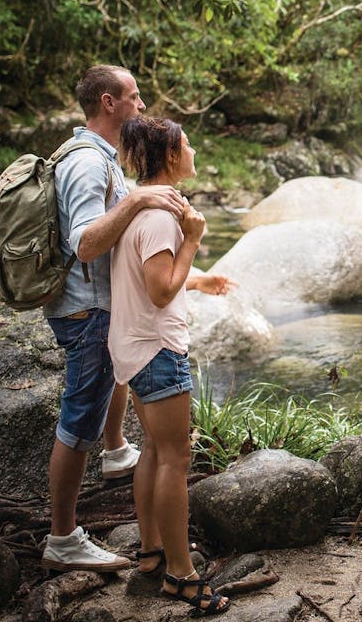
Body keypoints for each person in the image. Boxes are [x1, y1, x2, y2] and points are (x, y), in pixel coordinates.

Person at [40, 65, 186, 573]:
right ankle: (63, 536)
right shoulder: (85, 162)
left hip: (96, 309)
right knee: (78, 419)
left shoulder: (100, 158)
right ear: (109, 102)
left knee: (106, 393)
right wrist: (140, 197)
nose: (142, 106)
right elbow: (84, 244)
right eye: (135, 97)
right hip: (84, 311)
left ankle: (117, 449)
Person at [111, 115, 234, 615]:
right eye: (188, 145)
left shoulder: (139, 209)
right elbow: (161, 290)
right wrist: (193, 240)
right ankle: (181, 577)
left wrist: (198, 280)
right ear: (170, 157)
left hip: (135, 347)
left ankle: (151, 552)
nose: (194, 151)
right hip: (158, 350)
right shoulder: (164, 217)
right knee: (176, 460)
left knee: (154, 453)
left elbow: (153, 281)